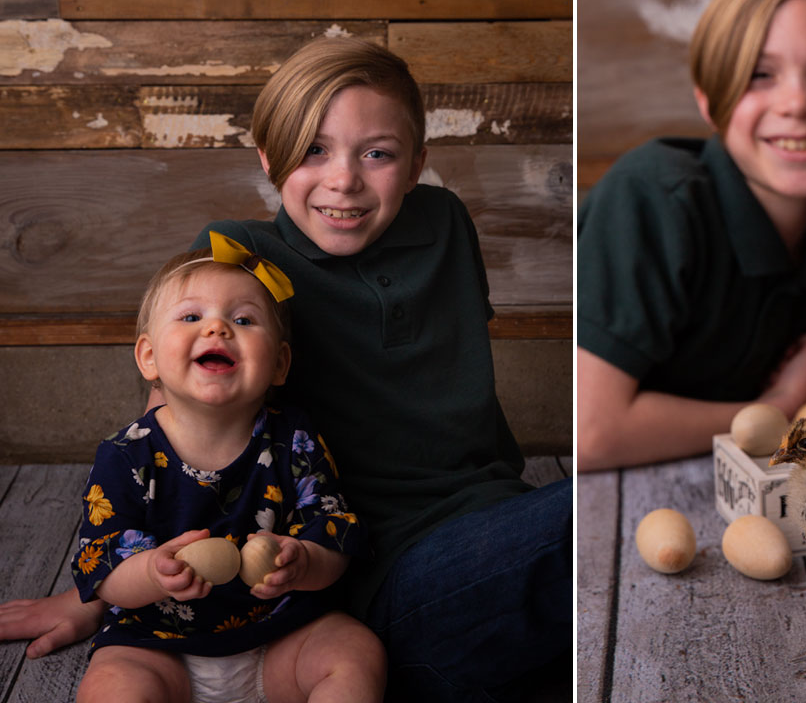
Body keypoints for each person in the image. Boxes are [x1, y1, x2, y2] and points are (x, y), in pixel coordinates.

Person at [0, 38, 571, 702]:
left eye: (377, 153)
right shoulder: (237, 261)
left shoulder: (445, 223)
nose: (344, 179)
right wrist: (102, 590)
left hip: (497, 523)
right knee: (592, 515)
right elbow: (176, 432)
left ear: (417, 164)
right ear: (270, 158)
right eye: (313, 150)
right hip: (366, 573)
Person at [577, 0, 806, 470]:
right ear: (711, 100)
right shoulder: (654, 195)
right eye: (758, 75)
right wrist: (778, 409)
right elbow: (590, 432)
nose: (796, 103)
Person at [74, 238, 384, 702]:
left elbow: (333, 532)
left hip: (281, 636)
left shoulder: (293, 438)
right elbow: (101, 564)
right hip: (159, 647)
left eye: (243, 319)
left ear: (279, 364)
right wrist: (153, 574)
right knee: (111, 686)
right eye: (191, 316)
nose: (217, 327)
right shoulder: (125, 455)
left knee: (358, 652)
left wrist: (303, 561)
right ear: (149, 357)